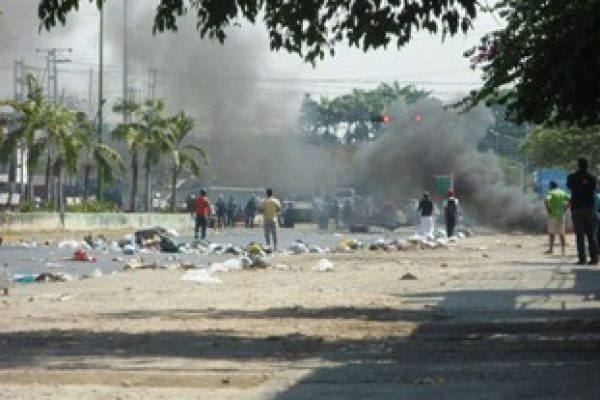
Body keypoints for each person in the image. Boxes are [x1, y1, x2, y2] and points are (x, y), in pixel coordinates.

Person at [567, 157, 598, 265]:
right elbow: (595, 188)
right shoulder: (593, 177)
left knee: (580, 236)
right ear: (588, 164)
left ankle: (582, 259)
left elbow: (569, 186)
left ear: (578, 164)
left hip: (577, 209)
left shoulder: (572, 177)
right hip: (590, 208)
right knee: (591, 235)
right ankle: (594, 258)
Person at [544, 181, 570, 256]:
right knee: (562, 233)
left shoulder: (551, 193)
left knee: (552, 233)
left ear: (552, 186)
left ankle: (551, 249)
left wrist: (548, 209)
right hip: (561, 215)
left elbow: (546, 200)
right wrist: (566, 208)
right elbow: (570, 199)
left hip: (552, 215)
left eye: (550, 186)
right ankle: (563, 251)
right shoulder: (563, 192)